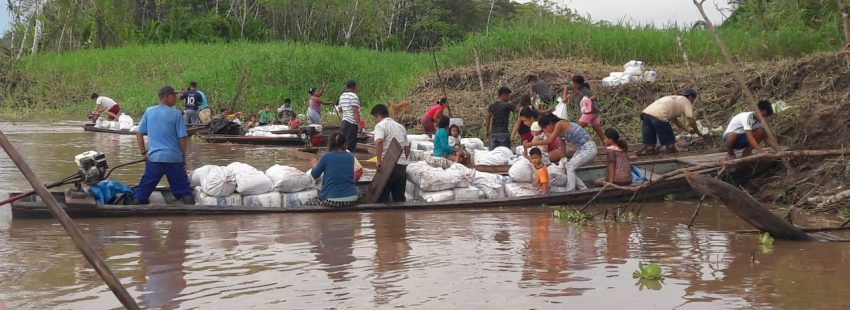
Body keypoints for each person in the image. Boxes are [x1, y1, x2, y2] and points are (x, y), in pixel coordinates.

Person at [131, 86, 193, 205]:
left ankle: (137, 208)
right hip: (174, 159)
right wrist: (184, 157)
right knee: (185, 192)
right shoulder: (176, 114)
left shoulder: (149, 111)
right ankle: (189, 218)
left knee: (141, 193)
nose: (175, 98)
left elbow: (139, 133)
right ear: (167, 96)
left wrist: (144, 153)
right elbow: (182, 138)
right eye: (173, 96)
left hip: (154, 159)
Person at [524, 114, 597, 191]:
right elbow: (562, 145)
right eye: (543, 129)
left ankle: (570, 190)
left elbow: (550, 140)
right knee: (568, 166)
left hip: (588, 148)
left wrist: (531, 144)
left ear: (551, 123)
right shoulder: (559, 130)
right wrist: (563, 159)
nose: (546, 130)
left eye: (545, 128)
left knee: (570, 166)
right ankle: (583, 189)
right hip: (581, 149)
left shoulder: (560, 124)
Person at [638, 88, 702, 156]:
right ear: (690, 97)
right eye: (694, 99)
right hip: (660, 114)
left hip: (646, 114)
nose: (693, 101)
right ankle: (670, 149)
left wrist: (687, 130)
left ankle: (650, 149)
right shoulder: (686, 101)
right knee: (670, 141)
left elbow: (675, 120)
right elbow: (691, 119)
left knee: (650, 141)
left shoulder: (675, 99)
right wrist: (697, 131)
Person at [370, 104, 411, 203]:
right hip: (401, 167)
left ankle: (385, 218)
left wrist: (378, 161)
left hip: (387, 166)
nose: (375, 121)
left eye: (374, 118)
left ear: (378, 116)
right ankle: (399, 218)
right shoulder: (400, 127)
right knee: (399, 200)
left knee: (383, 200)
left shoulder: (380, 125)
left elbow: (379, 142)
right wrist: (403, 160)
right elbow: (407, 147)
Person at [308, 133, 360, 207]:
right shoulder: (351, 157)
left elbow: (314, 175)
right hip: (352, 198)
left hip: (332, 200)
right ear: (344, 144)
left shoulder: (326, 157)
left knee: (308, 204)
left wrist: (314, 165)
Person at [338, 80, 362, 152]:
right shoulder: (354, 96)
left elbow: (340, 109)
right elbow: (355, 111)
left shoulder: (342, 96)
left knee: (343, 143)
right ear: (354, 87)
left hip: (344, 122)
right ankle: (349, 160)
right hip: (351, 123)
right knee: (350, 145)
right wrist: (359, 124)